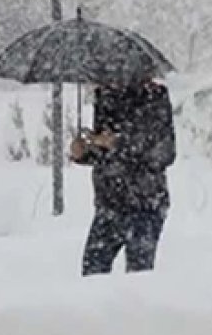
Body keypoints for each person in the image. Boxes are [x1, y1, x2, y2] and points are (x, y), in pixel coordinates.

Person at [71, 77, 176, 275]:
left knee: (139, 274)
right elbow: (104, 153)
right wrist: (84, 152)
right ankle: (98, 306)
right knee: (92, 270)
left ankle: (135, 306)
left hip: (145, 202)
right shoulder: (104, 97)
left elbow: (164, 152)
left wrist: (118, 142)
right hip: (109, 202)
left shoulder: (154, 97)